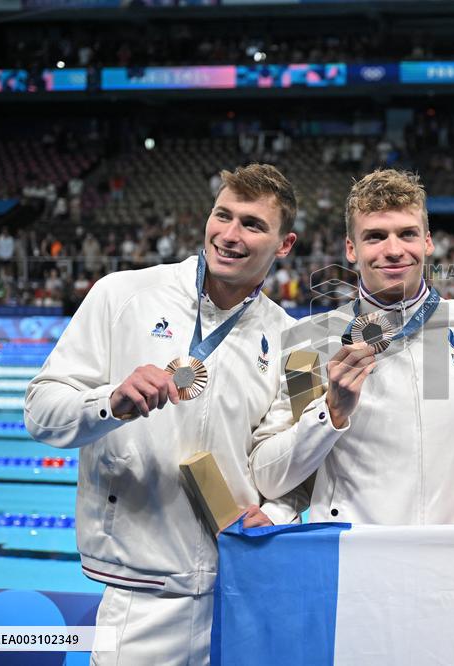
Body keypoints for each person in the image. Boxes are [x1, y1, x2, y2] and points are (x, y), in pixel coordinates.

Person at [24, 163, 304, 664]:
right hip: (139, 593)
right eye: (223, 215)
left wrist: (277, 514)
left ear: (285, 244)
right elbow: (40, 411)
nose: (230, 235)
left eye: (253, 224)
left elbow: (286, 463)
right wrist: (109, 402)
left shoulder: (288, 337)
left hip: (237, 588)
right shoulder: (121, 294)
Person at [250, 168, 454, 524]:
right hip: (350, 556)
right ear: (351, 249)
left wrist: (436, 454)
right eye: (375, 236)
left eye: (407, 234)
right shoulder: (309, 340)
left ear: (427, 241)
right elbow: (268, 473)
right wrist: (330, 414)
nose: (393, 250)